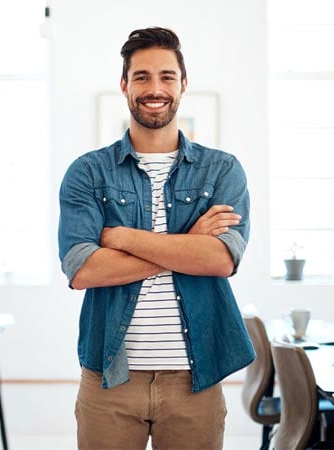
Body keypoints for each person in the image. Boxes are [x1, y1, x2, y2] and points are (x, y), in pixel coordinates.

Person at [57, 27, 254, 450]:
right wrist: (188, 243)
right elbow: (83, 269)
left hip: (195, 377)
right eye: (142, 76)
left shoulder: (221, 171)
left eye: (167, 76)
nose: (155, 88)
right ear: (125, 85)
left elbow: (220, 261)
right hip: (109, 378)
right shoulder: (88, 172)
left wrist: (120, 237)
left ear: (183, 85)